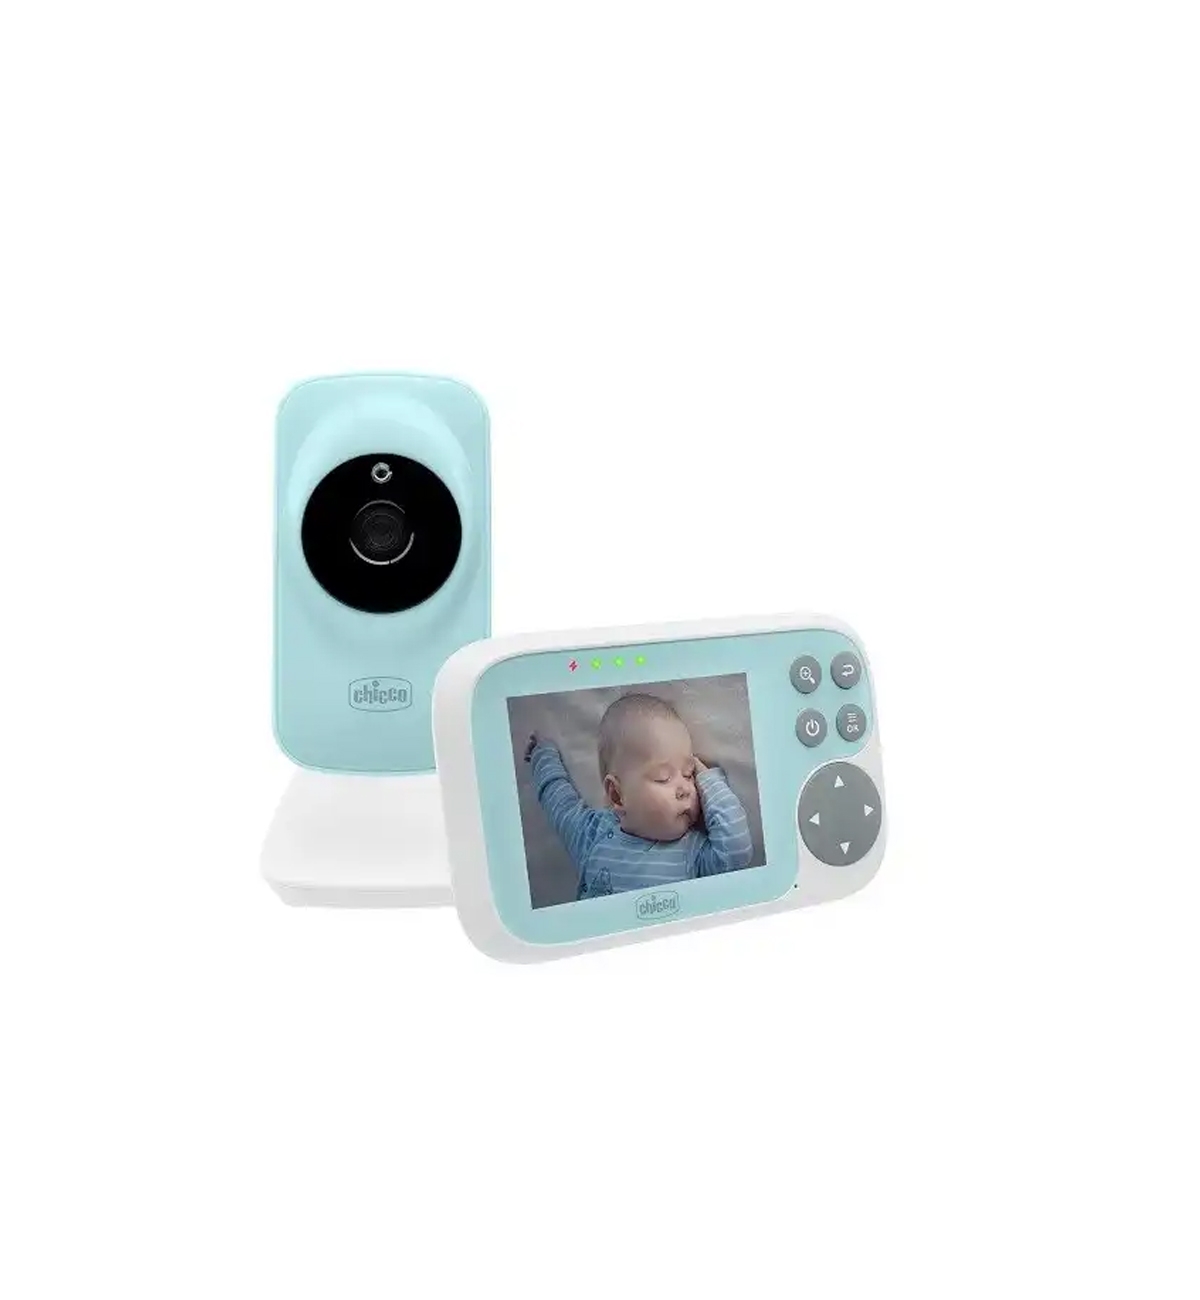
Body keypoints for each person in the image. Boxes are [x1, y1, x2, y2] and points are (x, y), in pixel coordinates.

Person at [525, 692, 754, 899]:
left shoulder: (693, 852)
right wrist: (542, 753)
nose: (685, 788)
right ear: (617, 795)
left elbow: (737, 850)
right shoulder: (591, 834)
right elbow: (558, 799)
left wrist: (708, 780)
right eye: (663, 778)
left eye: (688, 774)